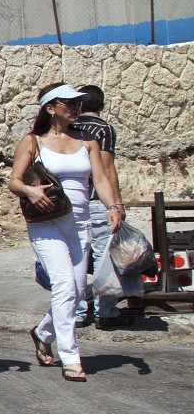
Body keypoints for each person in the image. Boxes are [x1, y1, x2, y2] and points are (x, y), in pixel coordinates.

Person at [8, 83, 124, 382]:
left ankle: (43, 332)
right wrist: (31, 192)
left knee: (74, 292)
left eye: (77, 104)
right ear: (50, 108)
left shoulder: (88, 141)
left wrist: (112, 205)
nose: (75, 108)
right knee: (63, 285)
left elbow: (99, 177)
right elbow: (14, 181)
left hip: (80, 224)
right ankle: (71, 357)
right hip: (46, 223)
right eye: (68, 104)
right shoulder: (33, 141)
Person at [72, 84, 128, 329]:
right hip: (97, 201)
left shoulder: (69, 129)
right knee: (105, 255)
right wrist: (116, 203)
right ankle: (105, 310)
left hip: (73, 202)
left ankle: (79, 311)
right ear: (101, 106)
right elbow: (106, 170)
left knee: (78, 257)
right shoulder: (103, 129)